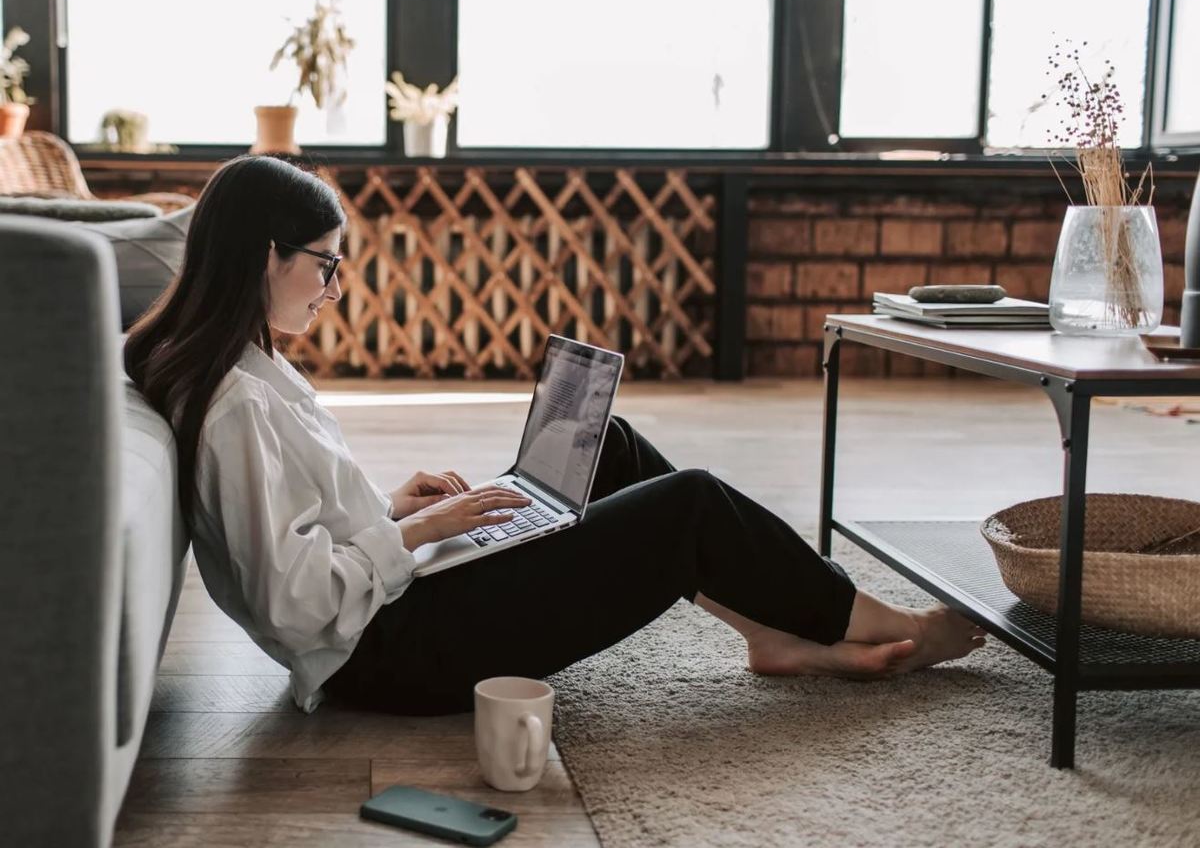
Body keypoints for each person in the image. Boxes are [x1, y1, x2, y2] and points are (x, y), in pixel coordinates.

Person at [125, 156, 986, 715]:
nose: (334, 287)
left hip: (391, 606)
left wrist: (393, 507)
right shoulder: (238, 402)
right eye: (326, 264)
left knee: (604, 443)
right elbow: (294, 602)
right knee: (689, 504)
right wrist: (416, 534)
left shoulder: (249, 368)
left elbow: (296, 534)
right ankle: (878, 621)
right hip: (386, 656)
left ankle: (768, 630)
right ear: (265, 256)